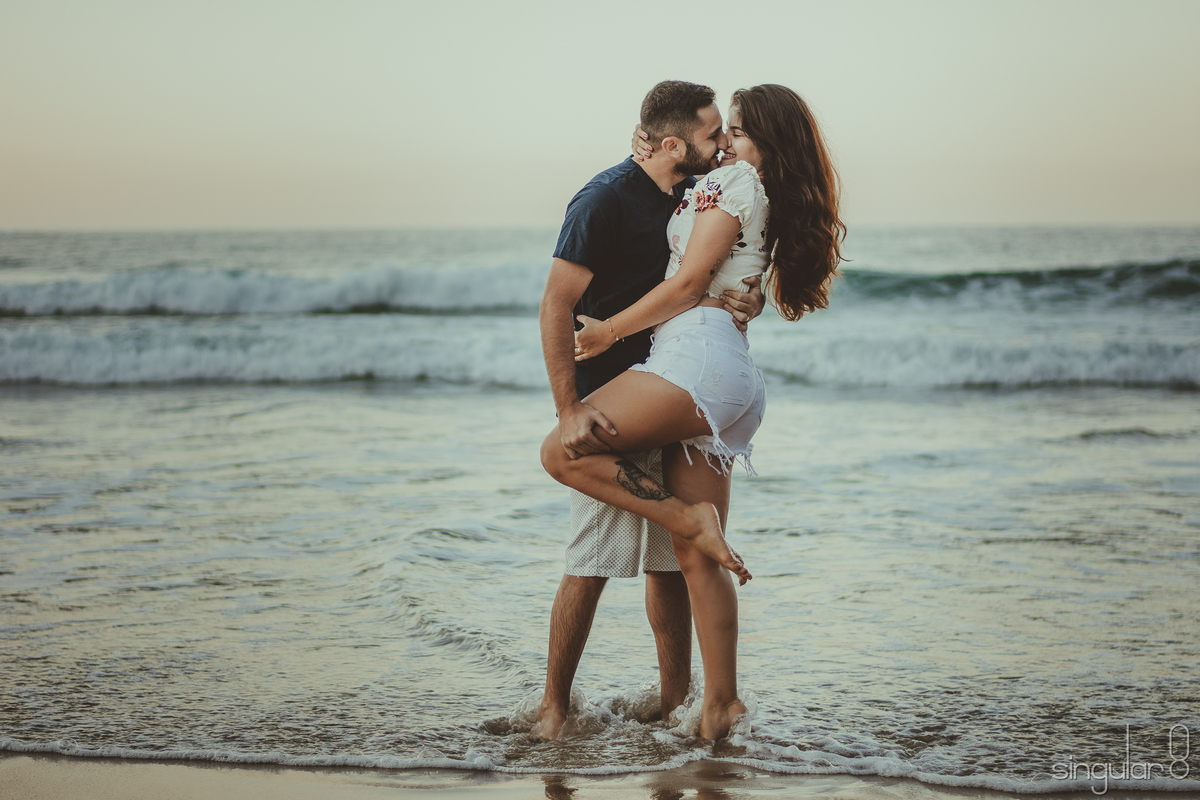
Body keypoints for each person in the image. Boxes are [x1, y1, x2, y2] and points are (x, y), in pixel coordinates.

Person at [539, 83, 845, 740]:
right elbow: (710, 267)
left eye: (734, 130)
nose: (725, 142)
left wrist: (608, 333)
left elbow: (687, 281)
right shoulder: (701, 188)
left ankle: (686, 528)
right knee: (684, 556)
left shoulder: (733, 183)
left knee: (564, 457)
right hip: (699, 370)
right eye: (719, 131)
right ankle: (716, 705)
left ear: (761, 143)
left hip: (690, 368)